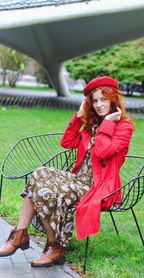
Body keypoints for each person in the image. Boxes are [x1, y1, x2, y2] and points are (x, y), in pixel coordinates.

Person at [0, 76, 135, 267]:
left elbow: (103, 152)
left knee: (44, 188)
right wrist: (80, 116)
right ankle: (26, 235)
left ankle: (48, 244)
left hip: (98, 188)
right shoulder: (92, 125)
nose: (98, 105)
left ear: (114, 99)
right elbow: (67, 142)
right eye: (94, 100)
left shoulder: (124, 127)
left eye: (103, 99)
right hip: (78, 180)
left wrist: (107, 124)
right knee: (39, 174)